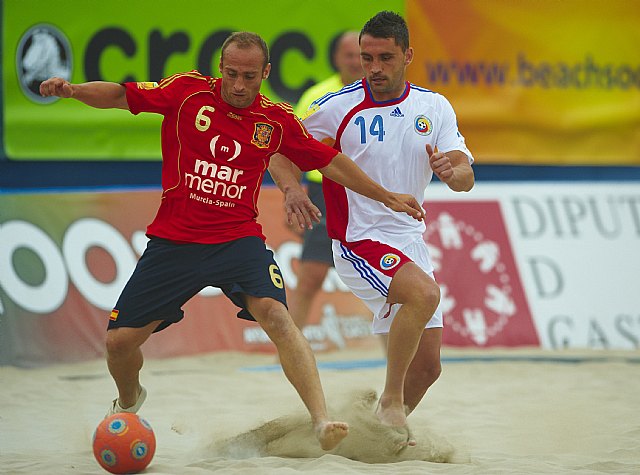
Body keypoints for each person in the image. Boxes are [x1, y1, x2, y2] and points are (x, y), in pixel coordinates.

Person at [39, 31, 424, 451]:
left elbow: (331, 162)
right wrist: (73, 90)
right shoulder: (186, 93)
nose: (239, 85)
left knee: (278, 317)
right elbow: (118, 95)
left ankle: (321, 420)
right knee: (118, 343)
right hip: (174, 241)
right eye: (232, 74)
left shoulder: (275, 120)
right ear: (220, 68)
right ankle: (129, 399)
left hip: (237, 240)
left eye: (250, 76)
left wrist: (385, 196)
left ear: (266, 73)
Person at [269, 11, 475, 442]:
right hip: (356, 238)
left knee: (429, 367)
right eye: (367, 58)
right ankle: (393, 405)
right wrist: (292, 191)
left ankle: (371, 433)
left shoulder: (433, 106)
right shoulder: (335, 106)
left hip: (410, 241)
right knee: (423, 294)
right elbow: (278, 151)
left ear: (407, 56)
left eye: (385, 57)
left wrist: (450, 173)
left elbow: (464, 174)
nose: (375, 68)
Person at [287, 31, 362, 332]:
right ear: (336, 59)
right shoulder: (317, 97)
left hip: (366, 192)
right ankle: (288, 349)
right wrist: (290, 197)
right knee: (311, 276)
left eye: (362, 55)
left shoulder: (380, 95)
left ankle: (391, 356)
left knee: (386, 280)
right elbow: (289, 150)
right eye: (350, 55)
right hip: (323, 191)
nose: (357, 62)